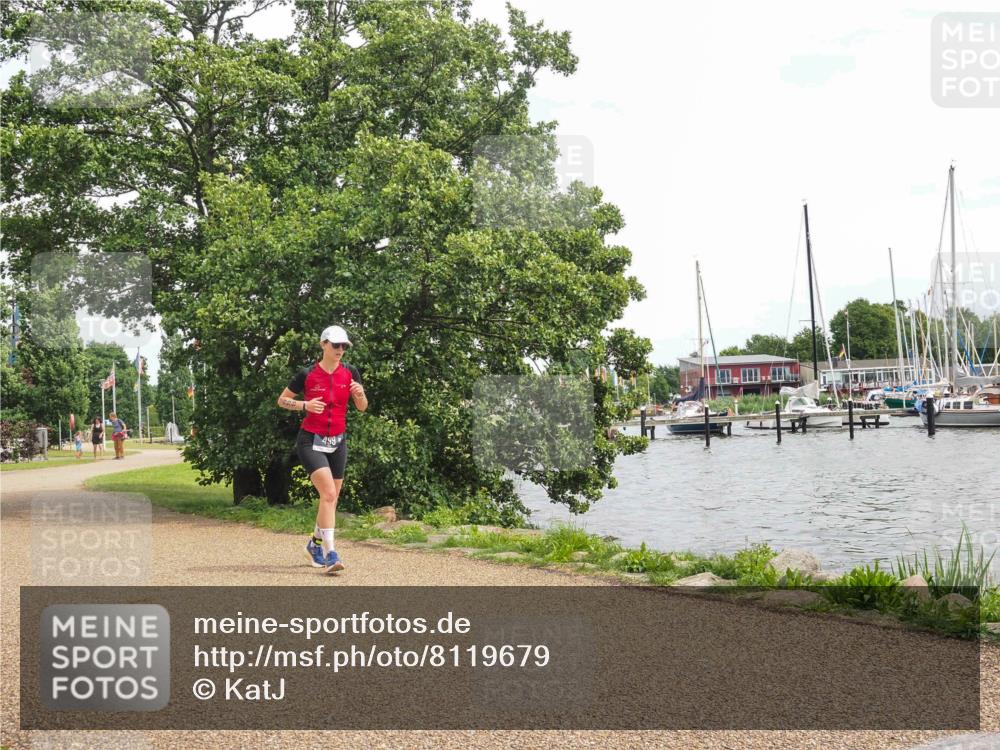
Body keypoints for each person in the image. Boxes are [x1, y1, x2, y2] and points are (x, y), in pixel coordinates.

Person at [276, 325, 368, 574]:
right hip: (311, 440)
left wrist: (360, 395)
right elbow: (282, 400)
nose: (340, 350)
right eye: (336, 345)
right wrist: (304, 405)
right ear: (323, 345)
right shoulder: (307, 374)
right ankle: (330, 554)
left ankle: (313, 545)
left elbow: (362, 407)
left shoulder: (350, 372)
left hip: (338, 441)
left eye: (344, 346)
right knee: (328, 494)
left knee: (332, 498)